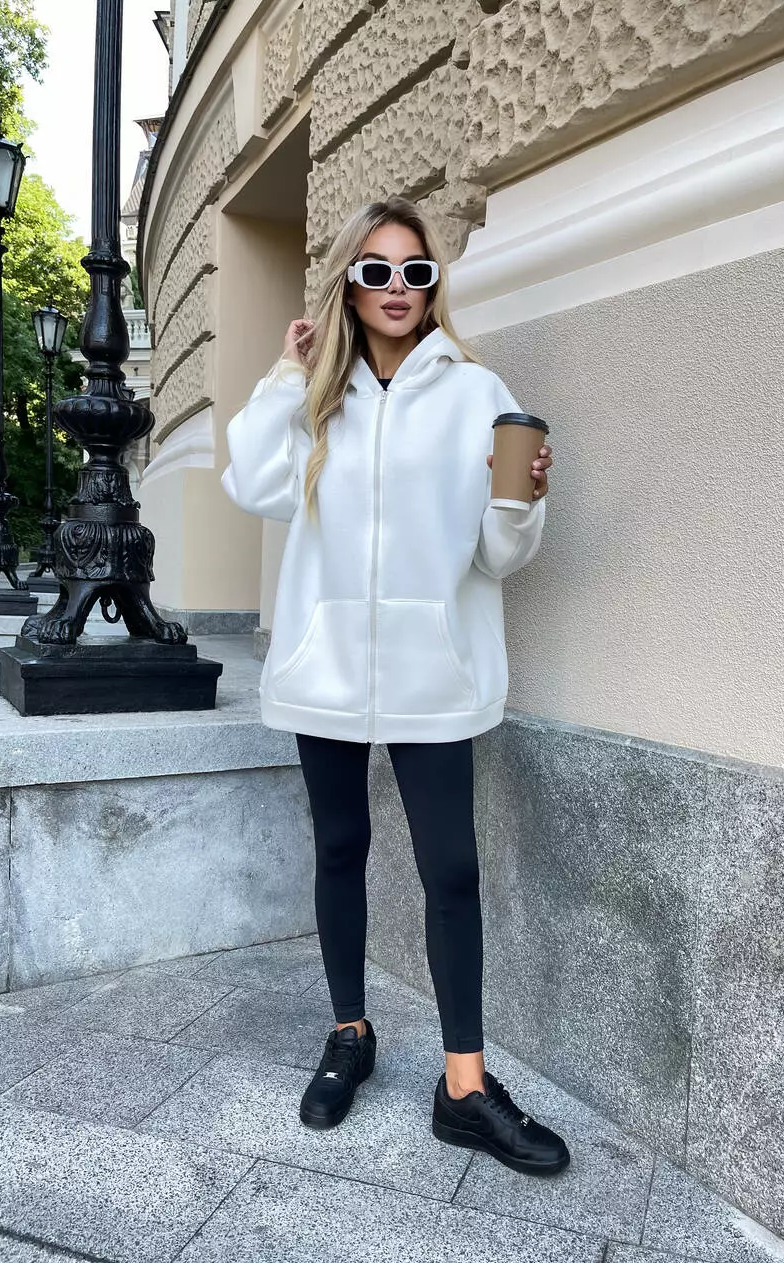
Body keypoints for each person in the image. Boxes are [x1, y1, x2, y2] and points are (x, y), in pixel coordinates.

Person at [222, 195, 569, 1177]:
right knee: (340, 849)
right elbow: (250, 482)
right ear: (347, 284)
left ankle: (464, 1087)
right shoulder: (316, 398)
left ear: (432, 285)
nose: (397, 288)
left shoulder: (476, 390)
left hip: (433, 672)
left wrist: (523, 501)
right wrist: (287, 374)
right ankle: (349, 1034)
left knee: (450, 870)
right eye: (374, 270)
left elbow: (498, 555)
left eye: (415, 271)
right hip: (326, 666)